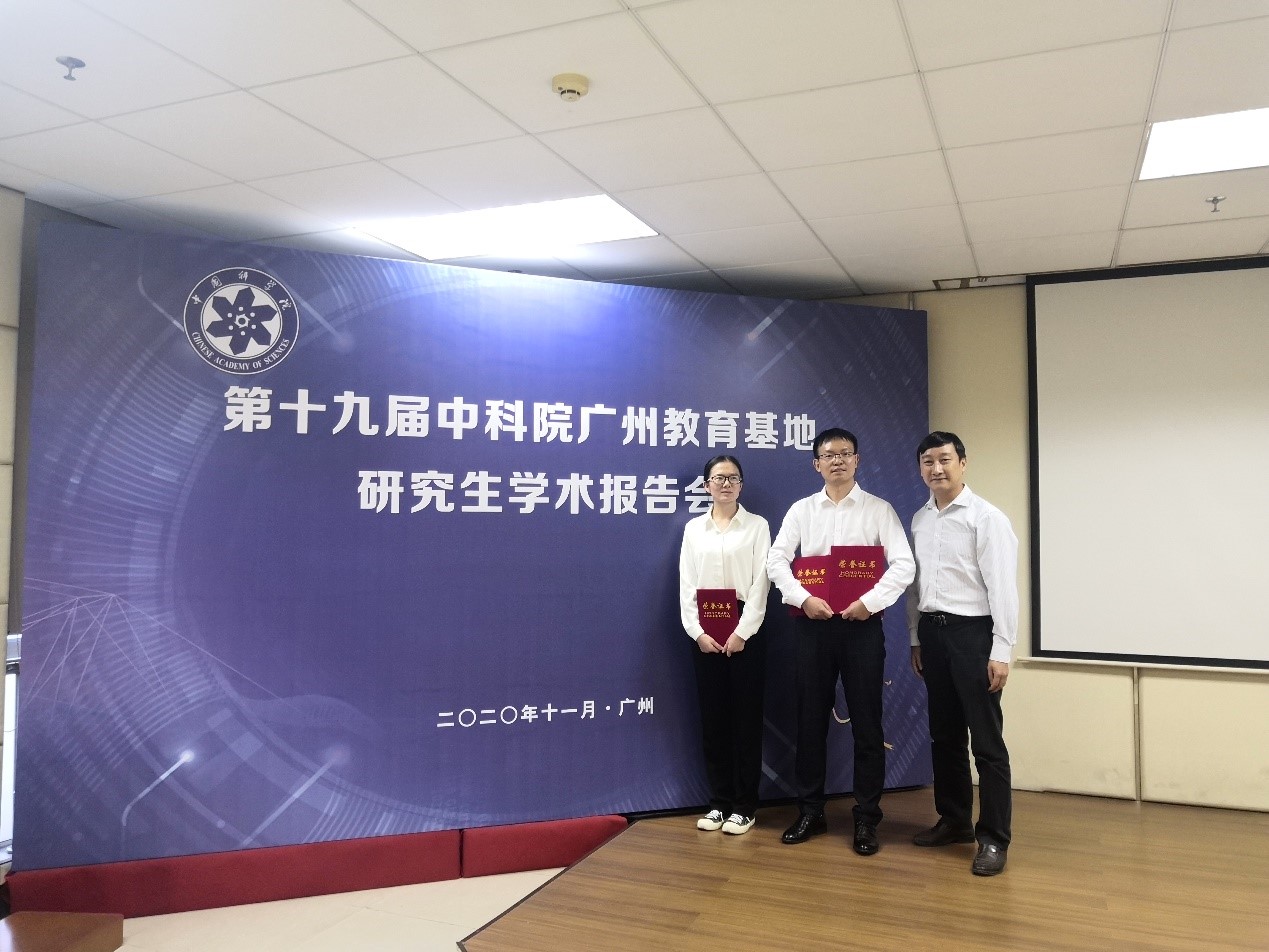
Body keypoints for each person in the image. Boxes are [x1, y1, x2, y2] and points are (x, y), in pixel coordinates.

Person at [766, 428, 914, 854]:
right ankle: (810, 811)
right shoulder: (801, 510)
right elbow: (776, 560)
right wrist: (802, 597)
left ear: (857, 460)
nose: (837, 461)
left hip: (861, 628)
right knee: (809, 721)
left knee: (868, 724)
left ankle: (867, 818)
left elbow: (904, 565)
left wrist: (870, 602)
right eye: (829, 455)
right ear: (817, 464)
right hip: (811, 626)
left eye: (845, 454)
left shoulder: (878, 509)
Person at [906, 431, 1018, 876]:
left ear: (963, 463)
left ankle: (994, 838)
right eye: (928, 461)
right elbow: (915, 586)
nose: (936, 468)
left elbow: (1003, 588)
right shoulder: (919, 519)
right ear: (920, 468)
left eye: (945, 459)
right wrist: (915, 638)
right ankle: (955, 821)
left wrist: (1002, 649)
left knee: (987, 744)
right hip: (933, 636)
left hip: (974, 635)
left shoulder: (986, 518)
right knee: (945, 736)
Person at [679, 455, 771, 836]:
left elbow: (762, 583)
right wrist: (696, 632)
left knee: (746, 721)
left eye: (733, 478)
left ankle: (745, 806)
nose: (726, 484)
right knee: (714, 721)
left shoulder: (757, 526)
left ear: (741, 485)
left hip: (746, 629)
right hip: (705, 631)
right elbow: (686, 584)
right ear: (707, 486)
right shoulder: (693, 529)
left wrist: (742, 632)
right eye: (718, 478)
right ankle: (719, 802)